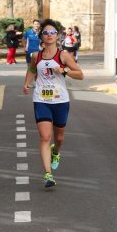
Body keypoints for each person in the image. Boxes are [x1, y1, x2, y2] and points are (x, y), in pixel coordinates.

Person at [23, 19, 84, 188]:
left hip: (60, 100)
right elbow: (32, 69)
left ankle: (56, 152)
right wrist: (27, 82)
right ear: (41, 36)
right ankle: (48, 174)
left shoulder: (63, 55)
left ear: (57, 36)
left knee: (59, 137)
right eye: (45, 33)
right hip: (41, 99)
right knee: (44, 136)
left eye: (52, 33)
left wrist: (64, 70)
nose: (49, 35)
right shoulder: (36, 55)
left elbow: (80, 74)